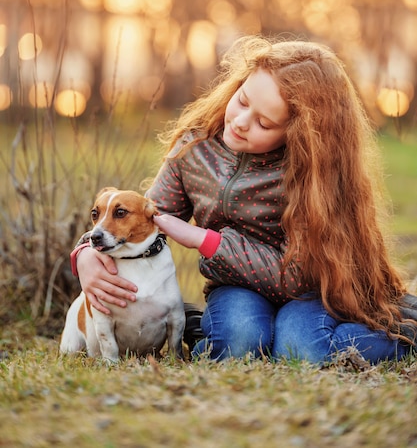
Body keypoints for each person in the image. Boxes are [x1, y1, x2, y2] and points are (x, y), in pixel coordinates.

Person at [73, 35, 417, 364]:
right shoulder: (195, 149)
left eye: (264, 123)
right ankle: (208, 327)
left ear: (300, 136)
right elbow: (144, 218)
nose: (239, 122)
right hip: (238, 287)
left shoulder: (314, 176)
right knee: (237, 343)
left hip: (311, 293)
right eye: (242, 100)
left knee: (302, 350)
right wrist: (86, 255)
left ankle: (402, 331)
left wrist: (207, 241)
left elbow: (298, 275)